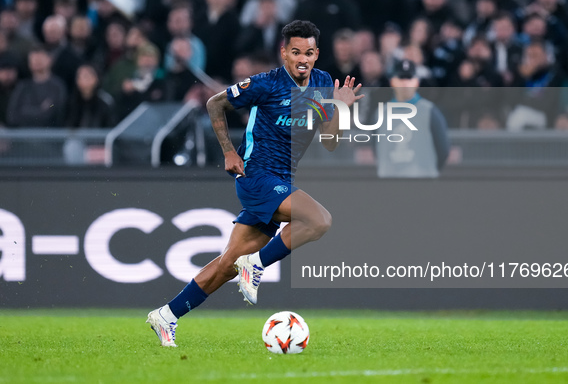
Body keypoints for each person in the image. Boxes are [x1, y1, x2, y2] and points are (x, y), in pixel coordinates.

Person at [146, 20, 363, 347]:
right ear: (284, 53)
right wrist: (229, 151)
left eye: (308, 52)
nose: (302, 59)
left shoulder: (321, 85)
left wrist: (342, 110)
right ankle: (257, 264)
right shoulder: (266, 83)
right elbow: (214, 103)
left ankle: (167, 315)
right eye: (295, 52)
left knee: (227, 266)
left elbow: (331, 142)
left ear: (317, 54)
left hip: (281, 180)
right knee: (319, 220)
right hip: (257, 176)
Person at [376, 59, 449, 178]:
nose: (405, 83)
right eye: (401, 78)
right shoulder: (381, 113)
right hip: (390, 184)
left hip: (422, 183)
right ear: (392, 81)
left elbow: (443, 149)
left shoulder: (430, 111)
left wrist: (428, 170)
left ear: (417, 82)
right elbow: (377, 149)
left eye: (409, 78)